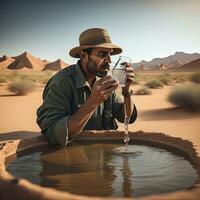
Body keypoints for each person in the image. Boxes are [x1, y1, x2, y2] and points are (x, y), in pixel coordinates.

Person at [36, 28, 137, 147]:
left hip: (104, 157)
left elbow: (126, 118)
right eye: (102, 54)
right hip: (72, 158)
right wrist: (93, 102)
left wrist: (126, 90)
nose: (109, 60)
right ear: (84, 55)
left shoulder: (104, 81)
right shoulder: (61, 83)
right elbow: (53, 135)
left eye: (109, 54)